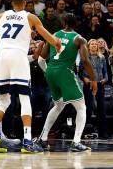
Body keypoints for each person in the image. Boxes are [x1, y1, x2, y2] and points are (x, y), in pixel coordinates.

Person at [0, 0, 61, 153]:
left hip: (0, 56)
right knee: (24, 98)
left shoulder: (1, 16)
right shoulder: (30, 17)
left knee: (2, 99)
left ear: (12, 3)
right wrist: (57, 43)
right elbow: (47, 36)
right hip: (18, 56)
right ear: (25, 3)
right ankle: (28, 141)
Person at [34, 14, 97, 152]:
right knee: (81, 107)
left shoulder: (54, 34)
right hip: (65, 72)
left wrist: (49, 72)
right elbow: (85, 61)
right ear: (76, 24)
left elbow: (40, 60)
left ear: (63, 23)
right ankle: (76, 142)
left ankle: (43, 139)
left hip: (50, 71)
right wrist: (93, 79)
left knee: (58, 105)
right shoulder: (79, 39)